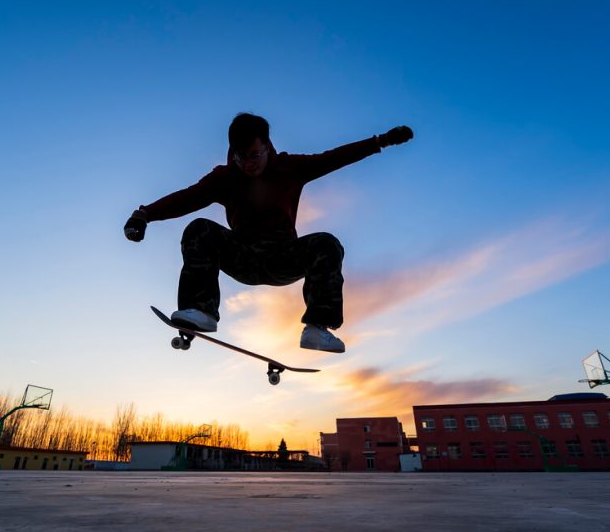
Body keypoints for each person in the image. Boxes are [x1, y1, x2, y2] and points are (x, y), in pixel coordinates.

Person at [124, 113, 413, 353]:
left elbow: (334, 158)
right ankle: (200, 311)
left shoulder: (290, 167)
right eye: (241, 158)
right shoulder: (224, 178)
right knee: (199, 229)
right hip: (243, 256)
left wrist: (381, 141)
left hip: (282, 257)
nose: (249, 164)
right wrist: (145, 214)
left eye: (254, 155)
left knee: (327, 244)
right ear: (232, 154)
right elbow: (187, 197)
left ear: (267, 146)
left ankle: (317, 328)